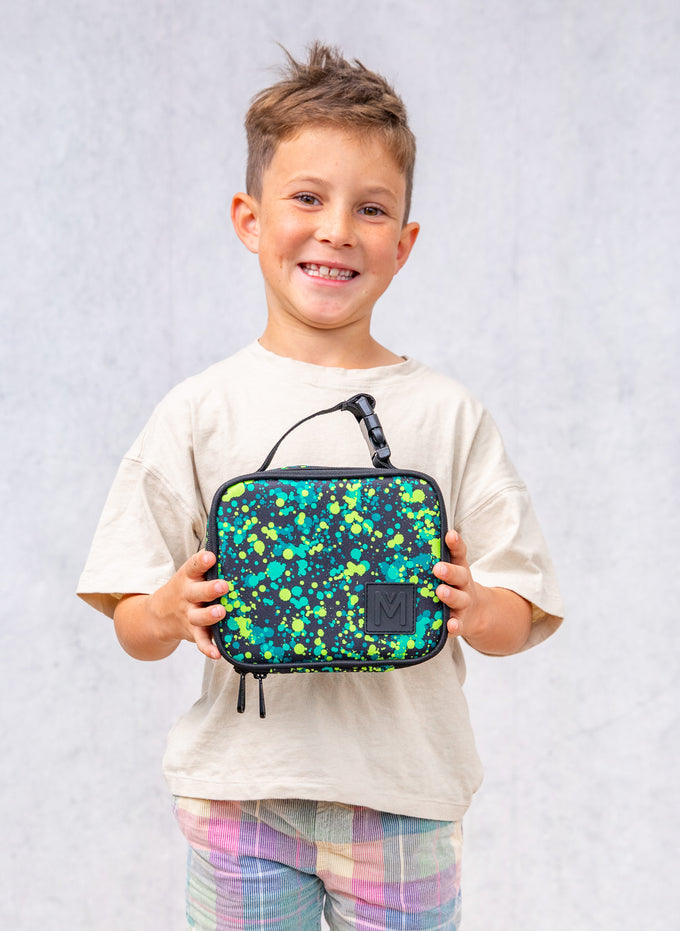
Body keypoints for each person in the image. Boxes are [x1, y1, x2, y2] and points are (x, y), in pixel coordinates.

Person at [78, 42, 563, 930]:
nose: (337, 229)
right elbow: (130, 619)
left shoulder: (450, 413)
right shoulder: (199, 409)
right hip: (242, 794)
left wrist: (475, 603)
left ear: (404, 243)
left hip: (407, 795)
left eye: (370, 208)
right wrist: (170, 609)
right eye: (307, 197)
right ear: (249, 218)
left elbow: (522, 613)